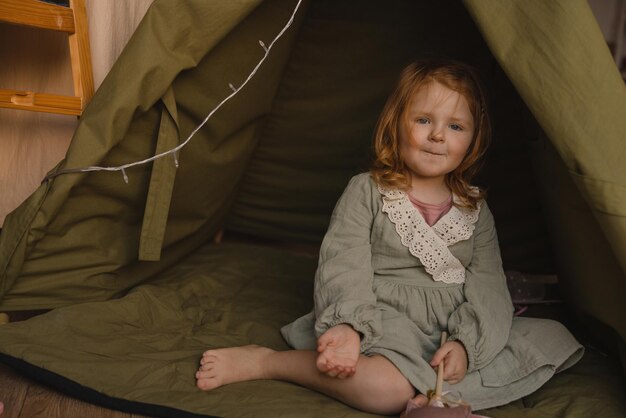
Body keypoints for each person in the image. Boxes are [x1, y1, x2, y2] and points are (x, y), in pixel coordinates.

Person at [195, 59, 583, 415]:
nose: (437, 136)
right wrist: (347, 327)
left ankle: (429, 389)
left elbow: (488, 284)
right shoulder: (367, 190)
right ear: (397, 123)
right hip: (382, 316)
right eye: (424, 120)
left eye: (455, 126)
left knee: (552, 338)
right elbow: (343, 263)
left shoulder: (476, 209)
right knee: (385, 391)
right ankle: (267, 361)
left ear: (473, 139)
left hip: (450, 323)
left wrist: (466, 344)